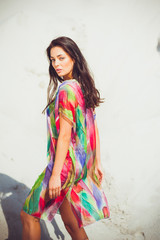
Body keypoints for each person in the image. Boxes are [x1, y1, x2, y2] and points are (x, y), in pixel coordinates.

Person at [20, 36, 110, 240]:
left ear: (74, 58)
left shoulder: (67, 89)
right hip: (80, 166)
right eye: (52, 60)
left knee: (29, 215)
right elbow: (92, 127)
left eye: (61, 58)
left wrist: (55, 175)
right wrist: (96, 162)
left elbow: (64, 135)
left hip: (65, 168)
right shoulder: (82, 87)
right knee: (71, 224)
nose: (56, 64)